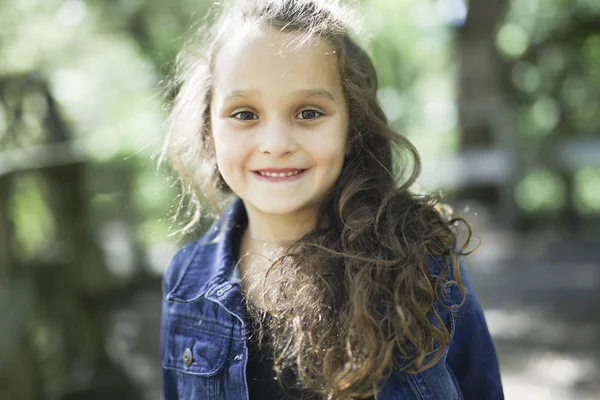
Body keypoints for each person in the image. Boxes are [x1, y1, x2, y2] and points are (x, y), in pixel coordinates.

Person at [159, 0, 504, 399]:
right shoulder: (186, 282)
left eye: (308, 113)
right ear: (209, 129)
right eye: (244, 114)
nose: (275, 145)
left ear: (351, 126)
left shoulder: (423, 258)